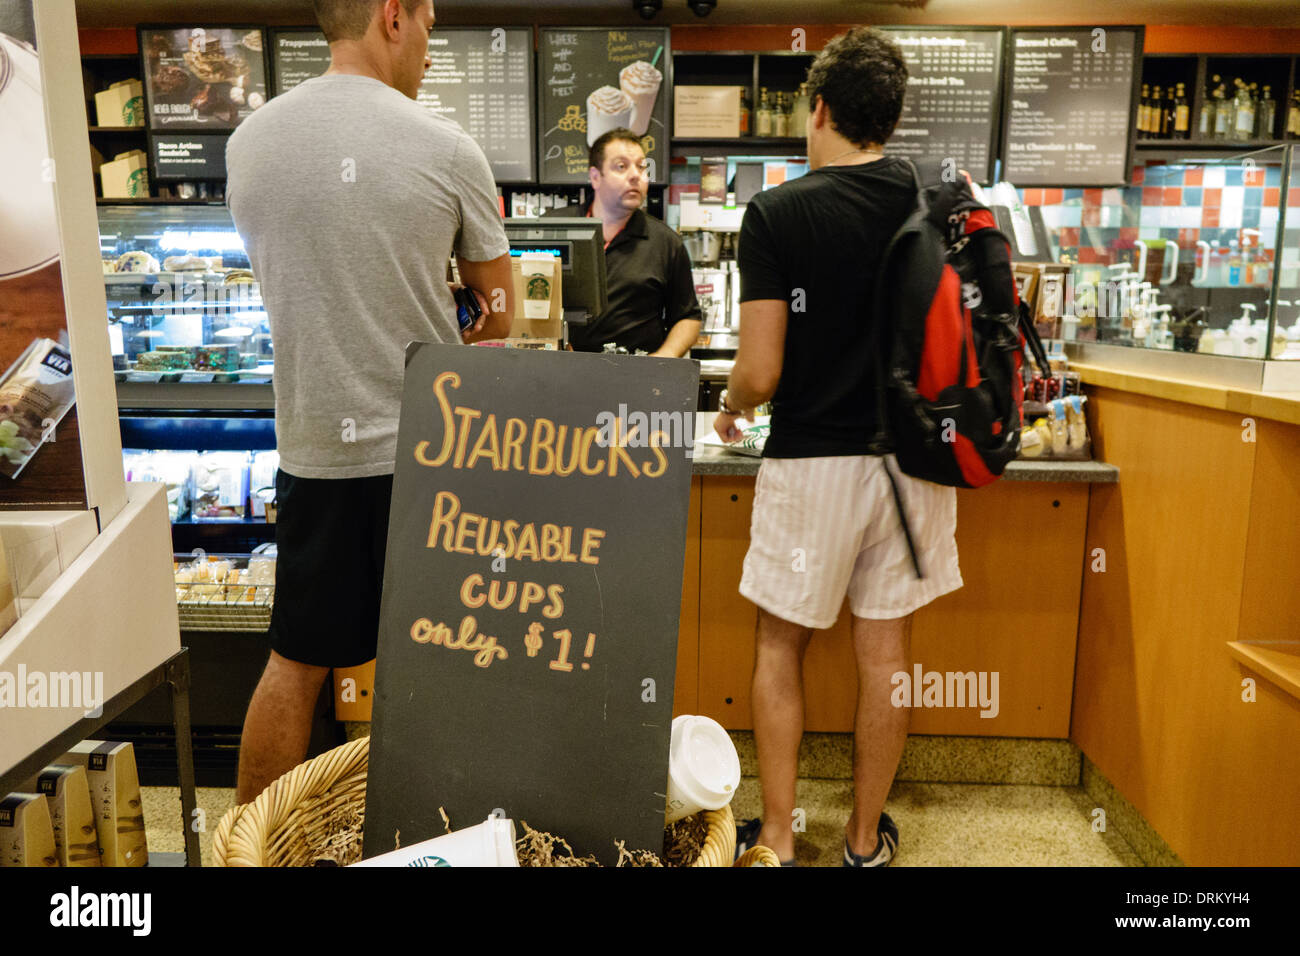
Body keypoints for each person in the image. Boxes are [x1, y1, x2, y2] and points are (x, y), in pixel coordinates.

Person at [225, 0, 514, 804]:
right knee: (447, 663)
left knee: (294, 662)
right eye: (429, 23)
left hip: (312, 448)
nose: (429, 45)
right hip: (430, 454)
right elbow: (500, 315)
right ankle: (441, 842)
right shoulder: (447, 147)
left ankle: (252, 848)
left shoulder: (248, 143)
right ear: (393, 16)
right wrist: (445, 300)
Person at [714, 27, 963, 866]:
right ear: (887, 118)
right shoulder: (936, 204)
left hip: (813, 463)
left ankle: (780, 840)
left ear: (817, 108)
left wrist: (728, 407)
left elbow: (760, 369)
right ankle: (864, 841)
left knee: (781, 644)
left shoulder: (779, 212)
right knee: (885, 648)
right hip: (915, 466)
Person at [544, 129, 701, 356]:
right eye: (621, 166)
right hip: (559, 374)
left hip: (638, 378)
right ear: (596, 177)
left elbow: (688, 317)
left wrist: (660, 361)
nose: (635, 175)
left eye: (641, 167)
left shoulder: (666, 242)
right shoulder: (553, 229)